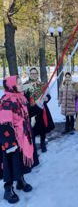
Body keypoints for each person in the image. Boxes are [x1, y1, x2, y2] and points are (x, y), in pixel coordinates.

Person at [0, 76, 43, 204]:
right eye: (18, 84)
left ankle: (20, 181)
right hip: (12, 139)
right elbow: (4, 123)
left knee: (20, 161)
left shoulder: (21, 98)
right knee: (11, 162)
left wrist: (39, 106)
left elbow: (27, 113)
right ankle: (8, 189)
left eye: (21, 83)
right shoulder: (6, 102)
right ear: (11, 86)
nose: (21, 85)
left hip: (25, 137)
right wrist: (10, 143)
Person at [23, 67, 55, 153]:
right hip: (31, 110)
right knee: (32, 128)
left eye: (35, 73)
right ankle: (32, 144)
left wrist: (47, 98)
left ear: (37, 75)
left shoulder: (42, 85)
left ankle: (42, 143)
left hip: (41, 109)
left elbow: (48, 95)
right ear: (29, 74)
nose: (34, 75)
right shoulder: (25, 86)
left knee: (42, 128)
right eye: (32, 73)